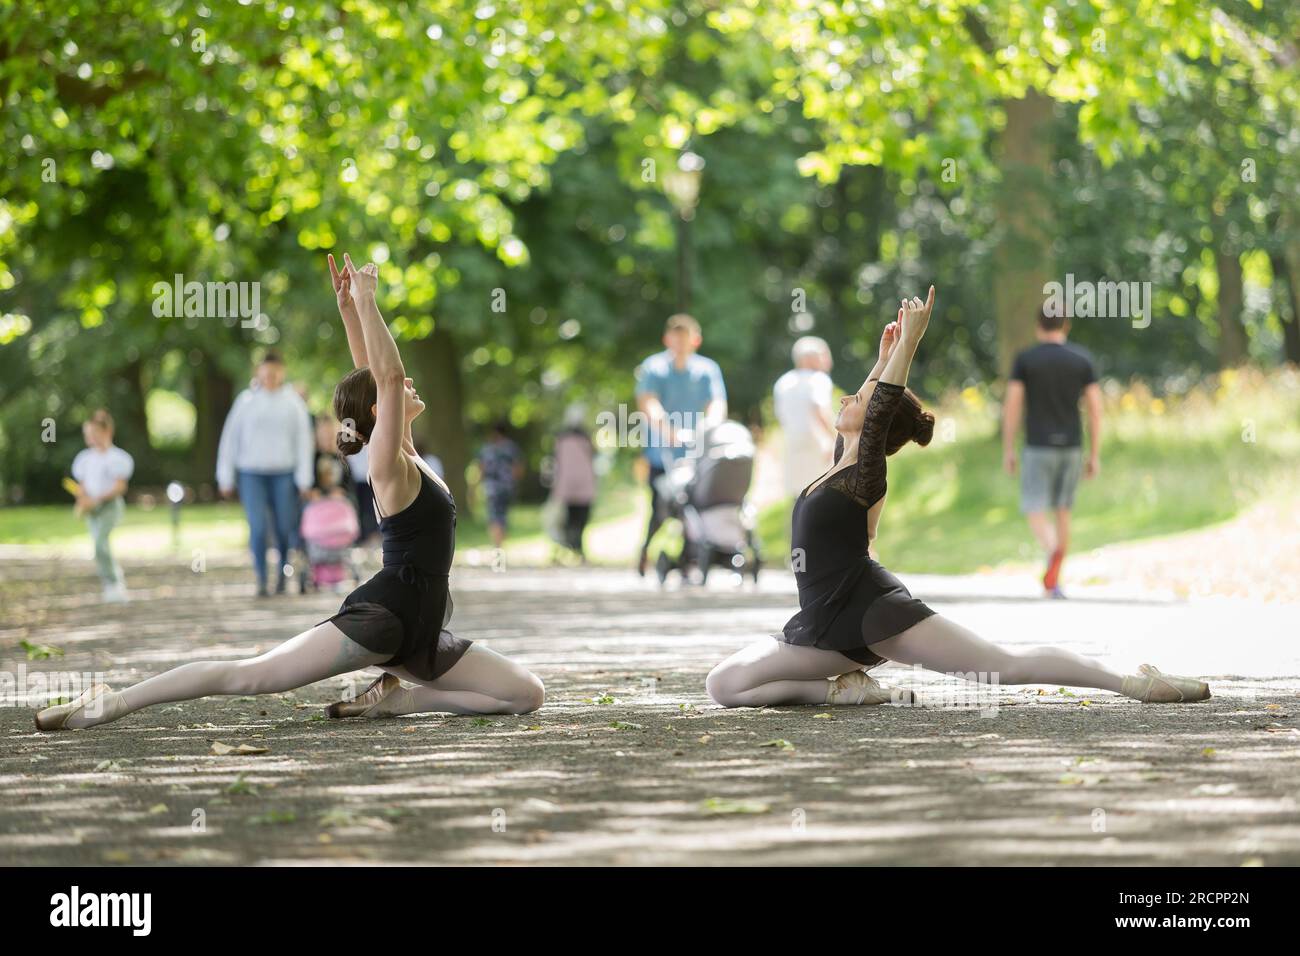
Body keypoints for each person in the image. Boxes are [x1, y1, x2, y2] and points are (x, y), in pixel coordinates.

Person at [34, 253, 544, 731]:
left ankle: (403, 698)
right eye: (398, 388)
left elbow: (377, 377)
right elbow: (384, 380)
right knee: (250, 675)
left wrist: (348, 310)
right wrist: (368, 301)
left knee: (526, 693)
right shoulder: (387, 466)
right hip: (384, 619)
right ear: (378, 415)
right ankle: (109, 703)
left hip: (424, 629)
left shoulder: (406, 451)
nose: (408, 383)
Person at [706, 288, 1209, 710]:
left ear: (876, 423)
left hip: (871, 614)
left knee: (1002, 666)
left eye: (856, 398)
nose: (846, 398)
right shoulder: (841, 460)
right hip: (821, 623)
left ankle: (1134, 682)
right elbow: (874, 403)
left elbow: (879, 408)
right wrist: (884, 357)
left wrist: (910, 343)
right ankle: (843, 690)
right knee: (723, 683)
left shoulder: (865, 474)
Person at [1002, 306, 1102, 598]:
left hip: (1037, 445)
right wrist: (1094, 453)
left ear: (1038, 326)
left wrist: (1009, 448)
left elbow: (1012, 406)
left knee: (1034, 507)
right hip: (1071, 445)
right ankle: (1056, 577)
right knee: (1063, 509)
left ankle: (1052, 552)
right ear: (1066, 325)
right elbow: (1095, 410)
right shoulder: (1082, 361)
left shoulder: (1026, 360)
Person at [633, 313, 727, 575]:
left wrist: (708, 428)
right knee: (661, 508)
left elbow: (717, 405)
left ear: (695, 340)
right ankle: (646, 550)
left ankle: (690, 557)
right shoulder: (654, 368)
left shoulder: (707, 370)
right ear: (667, 340)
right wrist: (667, 430)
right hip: (662, 454)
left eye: (684, 340)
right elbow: (648, 403)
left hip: (696, 453)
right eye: (675, 340)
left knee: (694, 505)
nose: (680, 346)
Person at [215, 350, 315, 596]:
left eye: (275, 372)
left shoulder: (293, 403)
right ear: (259, 372)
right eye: (266, 371)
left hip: (284, 473)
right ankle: (261, 576)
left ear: (282, 372)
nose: (270, 376)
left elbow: (304, 442)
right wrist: (225, 476)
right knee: (258, 526)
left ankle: (282, 571)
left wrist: (304, 478)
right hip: (252, 474)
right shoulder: (246, 402)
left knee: (284, 526)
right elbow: (230, 440)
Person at [70, 409, 134, 604]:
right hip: (91, 507)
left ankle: (114, 582)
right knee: (98, 546)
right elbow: (82, 486)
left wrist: (96, 499)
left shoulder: (118, 458)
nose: (90, 439)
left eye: (94, 434)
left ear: (107, 431)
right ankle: (110, 581)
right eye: (87, 435)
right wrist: (82, 500)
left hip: (109, 506)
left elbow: (120, 486)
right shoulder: (85, 459)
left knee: (100, 543)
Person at [773, 335, 837, 496]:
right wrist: (835, 438)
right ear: (808, 359)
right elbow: (820, 412)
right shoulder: (819, 380)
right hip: (818, 445)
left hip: (791, 443)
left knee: (799, 495)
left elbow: (781, 416)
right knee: (822, 492)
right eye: (822, 355)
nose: (827, 359)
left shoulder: (783, 382)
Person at [551, 404, 597, 561]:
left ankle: (573, 546)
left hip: (570, 484)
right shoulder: (584, 437)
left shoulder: (562, 437)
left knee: (572, 518)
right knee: (577, 518)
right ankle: (574, 546)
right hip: (580, 483)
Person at [478, 422, 522, 550]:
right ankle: (500, 545)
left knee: (494, 516)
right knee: (503, 516)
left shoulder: (487, 448)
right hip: (507, 487)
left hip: (491, 488)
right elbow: (518, 469)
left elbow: (482, 468)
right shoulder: (511, 448)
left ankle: (497, 545)